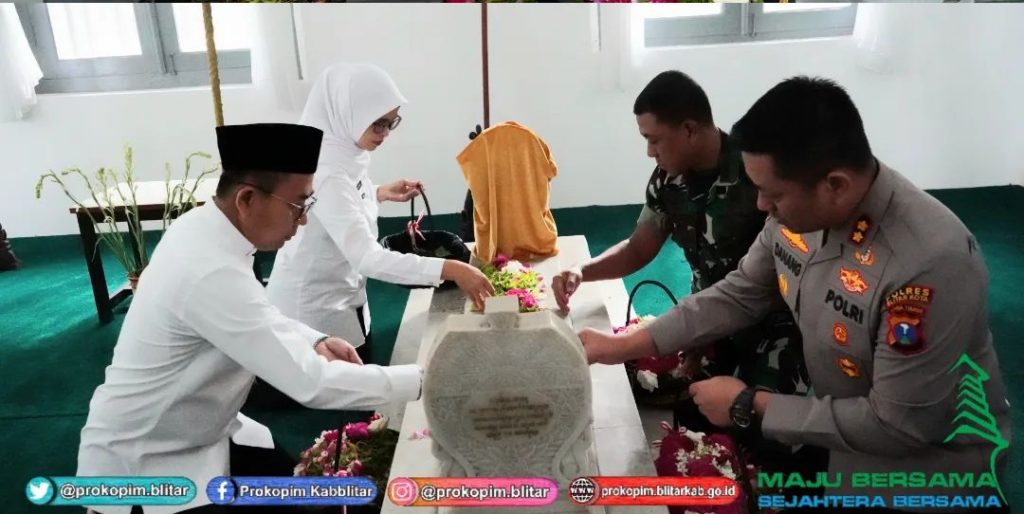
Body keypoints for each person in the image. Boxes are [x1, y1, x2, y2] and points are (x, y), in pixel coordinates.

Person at [579, 77, 1011, 511]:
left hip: (927, 470)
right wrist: (621, 347)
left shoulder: (928, 265)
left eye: (773, 194)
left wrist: (750, 404)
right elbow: (738, 293)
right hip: (843, 428)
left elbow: (898, 426)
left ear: (835, 185)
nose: (761, 206)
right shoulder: (798, 212)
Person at [78, 124, 424, 514]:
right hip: (146, 464)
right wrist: (420, 381)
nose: (303, 221)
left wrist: (314, 338)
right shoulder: (207, 269)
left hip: (200, 432)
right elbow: (310, 382)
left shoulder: (203, 227)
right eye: (299, 205)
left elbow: (254, 310)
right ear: (246, 198)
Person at [553, 71, 809, 436]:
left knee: (763, 426)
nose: (650, 152)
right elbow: (639, 246)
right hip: (709, 316)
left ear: (688, 129)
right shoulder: (667, 179)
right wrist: (583, 270)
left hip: (772, 322)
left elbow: (778, 273)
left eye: (654, 139)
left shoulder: (755, 174)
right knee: (689, 413)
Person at [267, 63, 493, 364]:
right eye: (378, 123)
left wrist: (378, 192)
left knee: (360, 365)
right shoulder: (327, 170)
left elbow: (341, 202)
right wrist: (450, 269)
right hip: (312, 310)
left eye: (391, 122)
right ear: (347, 112)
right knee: (339, 384)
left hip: (344, 292)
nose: (385, 133)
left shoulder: (344, 149)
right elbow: (368, 257)